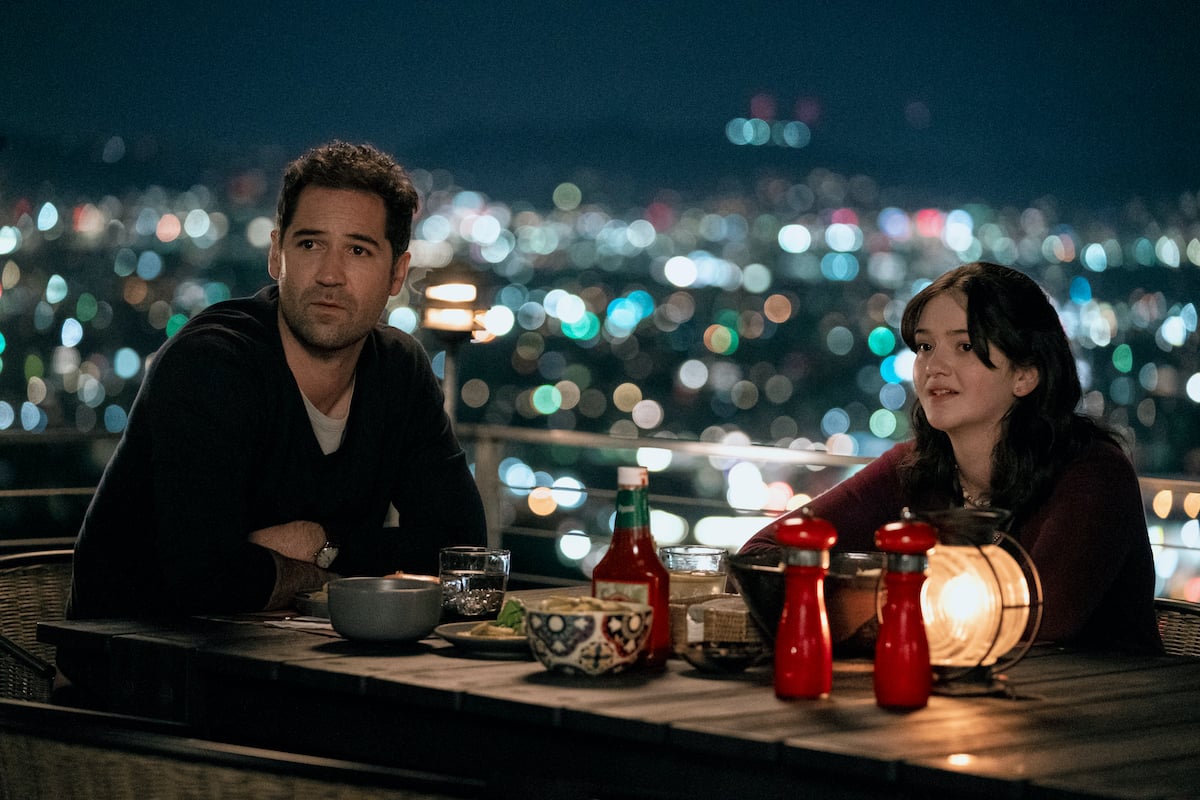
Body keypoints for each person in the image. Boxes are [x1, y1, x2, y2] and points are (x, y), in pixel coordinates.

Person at [67, 141, 487, 620]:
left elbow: (464, 555)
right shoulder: (213, 363)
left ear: (397, 273)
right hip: (137, 671)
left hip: (304, 666)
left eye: (358, 250)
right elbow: (203, 580)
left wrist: (323, 543)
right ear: (276, 255)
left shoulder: (398, 370)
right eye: (309, 244)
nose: (330, 275)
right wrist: (334, 583)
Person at [740, 261, 1162, 654]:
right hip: (956, 708)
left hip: (1104, 717)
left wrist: (880, 599)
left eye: (964, 346)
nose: (933, 366)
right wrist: (894, 600)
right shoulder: (914, 468)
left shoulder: (1094, 475)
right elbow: (760, 557)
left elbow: (1038, 618)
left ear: (1025, 374)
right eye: (925, 347)